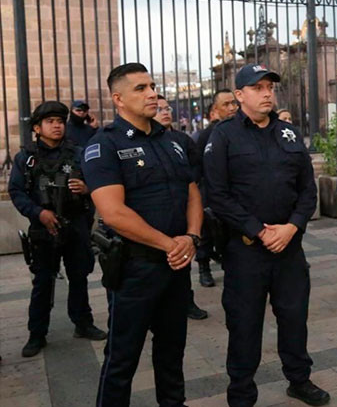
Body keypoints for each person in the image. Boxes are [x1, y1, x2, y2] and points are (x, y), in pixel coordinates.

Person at [204, 64, 329, 407]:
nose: (266, 93)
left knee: (294, 317)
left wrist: (291, 227)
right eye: (257, 88)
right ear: (240, 95)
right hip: (246, 251)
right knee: (244, 324)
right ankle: (242, 392)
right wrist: (258, 230)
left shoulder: (288, 134)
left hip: (288, 247)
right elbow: (217, 194)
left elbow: (307, 189)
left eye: (270, 87)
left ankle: (299, 380)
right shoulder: (224, 135)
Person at [86, 63, 202, 406]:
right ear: (118, 99)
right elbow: (113, 213)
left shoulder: (173, 142)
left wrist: (191, 238)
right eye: (141, 88)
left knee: (171, 353)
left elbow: (192, 192)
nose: (152, 93)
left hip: (176, 266)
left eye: (152, 85)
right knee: (122, 357)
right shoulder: (103, 145)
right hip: (135, 270)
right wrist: (171, 245)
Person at [8, 101, 107, 358]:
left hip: (75, 224)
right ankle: (37, 334)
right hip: (43, 228)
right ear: (38, 128)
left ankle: (83, 323)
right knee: (42, 282)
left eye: (60, 121)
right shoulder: (25, 158)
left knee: (79, 278)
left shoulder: (78, 153)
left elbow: (98, 183)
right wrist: (39, 213)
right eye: (50, 122)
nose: (57, 126)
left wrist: (86, 189)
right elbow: (17, 192)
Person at [154, 95, 209, 321]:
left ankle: (187, 301)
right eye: (160, 109)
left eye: (167, 108)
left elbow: (195, 169)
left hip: (182, 207)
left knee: (182, 260)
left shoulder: (181, 140)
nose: (166, 112)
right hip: (154, 216)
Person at [193, 88, 239, 287]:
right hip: (210, 192)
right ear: (215, 110)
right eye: (226, 105)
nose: (231, 108)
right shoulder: (207, 135)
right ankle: (204, 267)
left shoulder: (242, 130)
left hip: (235, 192)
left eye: (233, 103)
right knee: (206, 234)